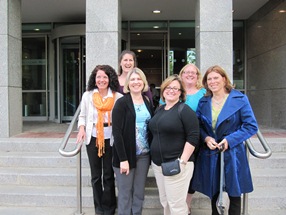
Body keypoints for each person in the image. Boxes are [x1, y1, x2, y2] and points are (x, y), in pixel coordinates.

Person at [191, 65, 258, 215]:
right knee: (213, 192)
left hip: (232, 152)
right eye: (209, 79)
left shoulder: (239, 98)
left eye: (216, 78)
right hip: (211, 151)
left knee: (235, 193)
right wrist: (206, 138)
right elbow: (198, 126)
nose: (212, 82)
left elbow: (251, 126)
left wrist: (230, 140)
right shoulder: (203, 101)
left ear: (224, 79)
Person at [148, 74, 200, 215]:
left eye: (176, 89)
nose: (171, 91)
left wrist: (182, 161)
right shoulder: (160, 109)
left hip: (177, 164)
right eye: (169, 87)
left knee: (176, 205)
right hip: (159, 165)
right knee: (165, 202)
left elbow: (193, 137)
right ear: (163, 90)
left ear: (181, 93)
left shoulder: (185, 110)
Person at [76, 65, 122, 215]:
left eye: (104, 77)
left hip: (111, 139)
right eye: (98, 77)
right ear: (94, 79)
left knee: (108, 175)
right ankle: (99, 208)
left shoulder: (117, 97)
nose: (101, 80)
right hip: (93, 137)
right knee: (96, 176)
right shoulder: (87, 95)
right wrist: (81, 128)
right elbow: (82, 116)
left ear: (110, 79)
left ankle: (109, 208)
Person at [112, 67, 154, 215]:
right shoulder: (122, 103)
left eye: (139, 79)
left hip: (144, 155)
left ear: (143, 82)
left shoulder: (148, 101)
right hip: (125, 156)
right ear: (128, 83)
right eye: (133, 79)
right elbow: (116, 132)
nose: (136, 82)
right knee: (125, 194)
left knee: (139, 193)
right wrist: (123, 159)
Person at [178, 63, 206, 215]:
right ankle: (178, 201)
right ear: (181, 75)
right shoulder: (175, 90)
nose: (190, 75)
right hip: (176, 139)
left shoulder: (203, 93)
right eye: (186, 72)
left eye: (193, 73)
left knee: (193, 172)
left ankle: (187, 204)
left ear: (197, 76)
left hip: (197, 139)